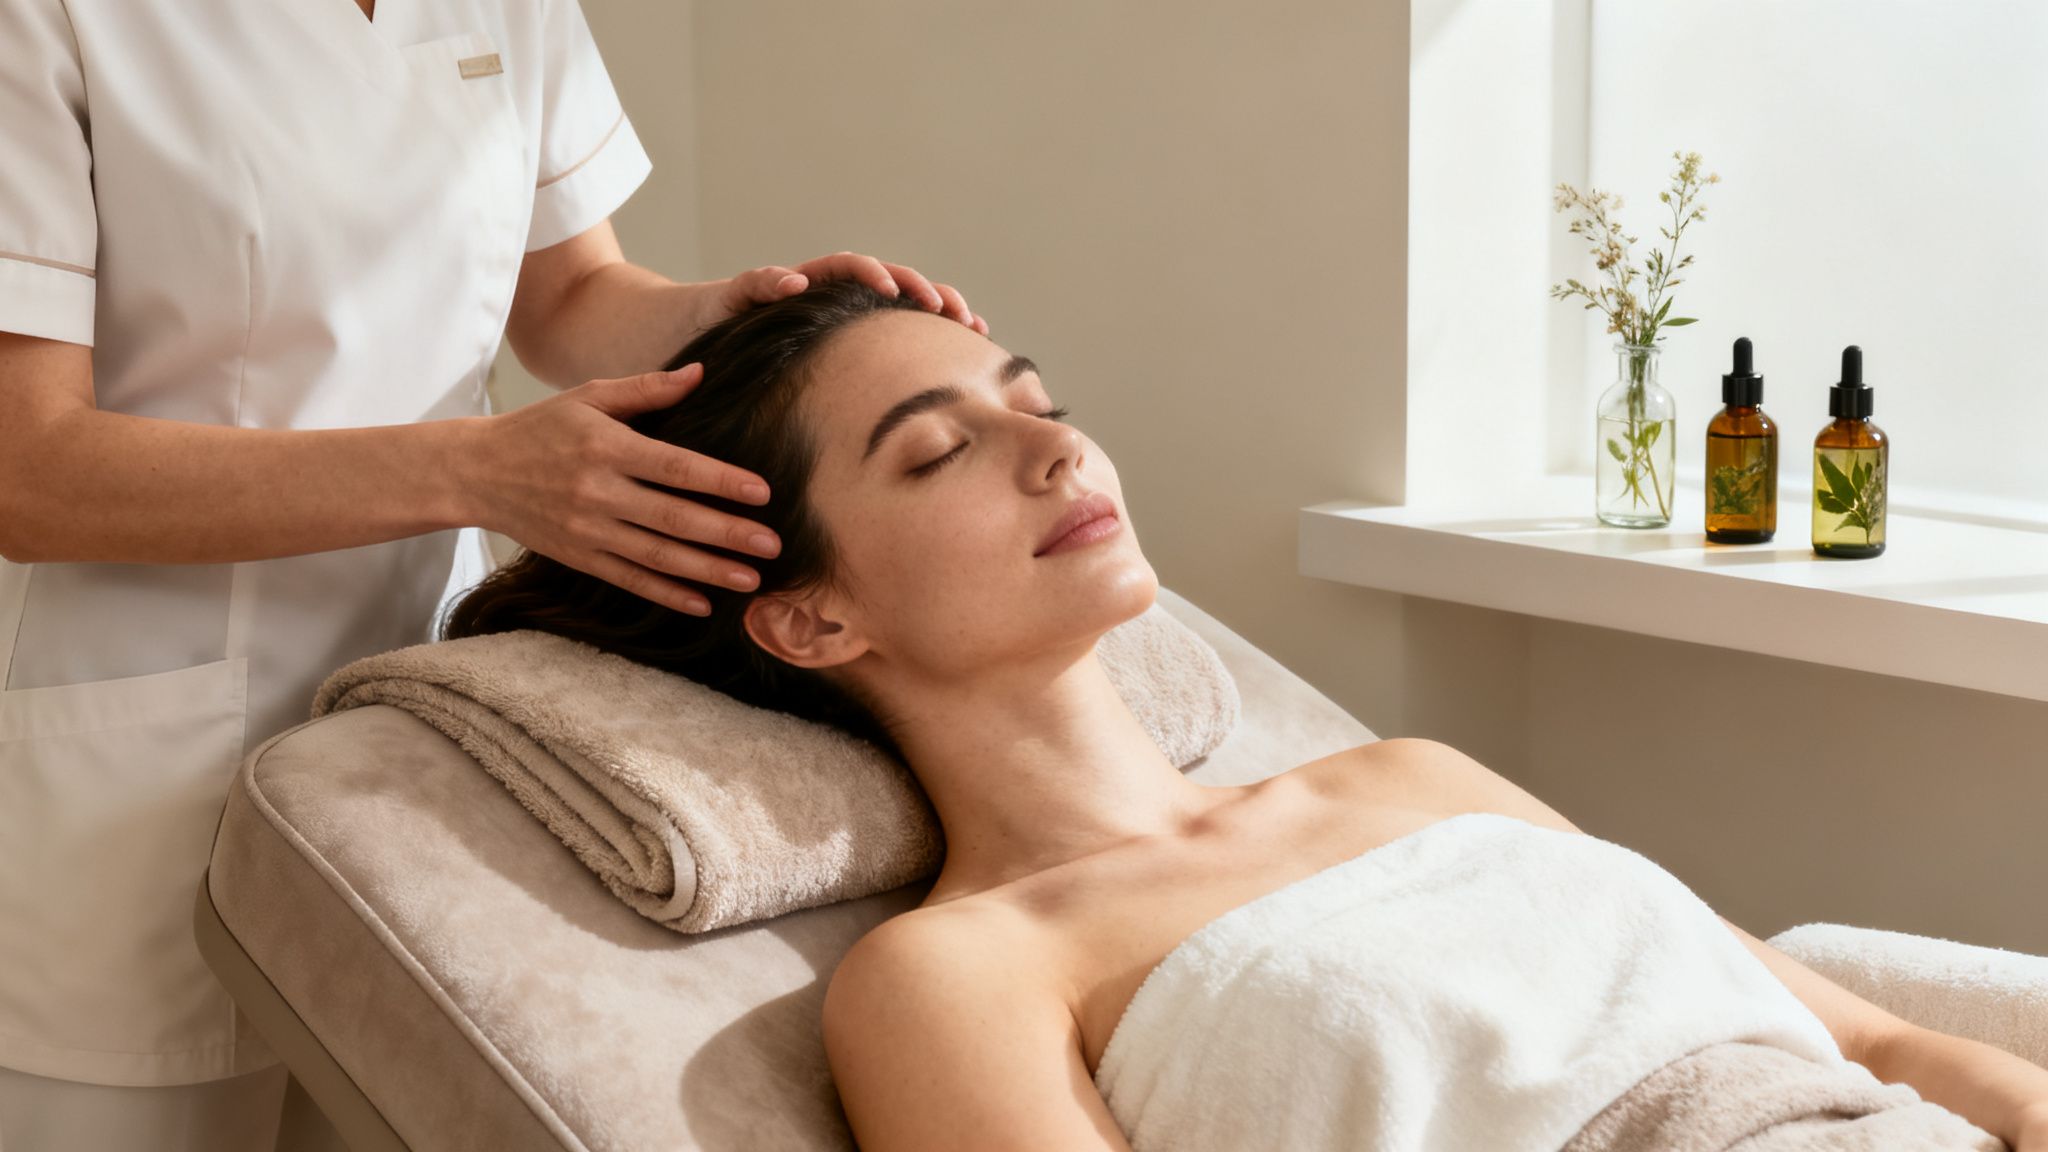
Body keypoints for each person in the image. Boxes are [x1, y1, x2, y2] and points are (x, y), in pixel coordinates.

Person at [443, 281, 2048, 1151]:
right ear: (811, 616)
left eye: (1038, 406)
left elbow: (1888, 1044)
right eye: (939, 454)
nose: (1058, 456)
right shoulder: (960, 974)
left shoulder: (1411, 779)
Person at [0, 1, 982, 1147]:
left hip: (412, 741)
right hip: (124, 767)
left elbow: (567, 300)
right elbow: (29, 471)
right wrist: (475, 471)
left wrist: (717, 321)